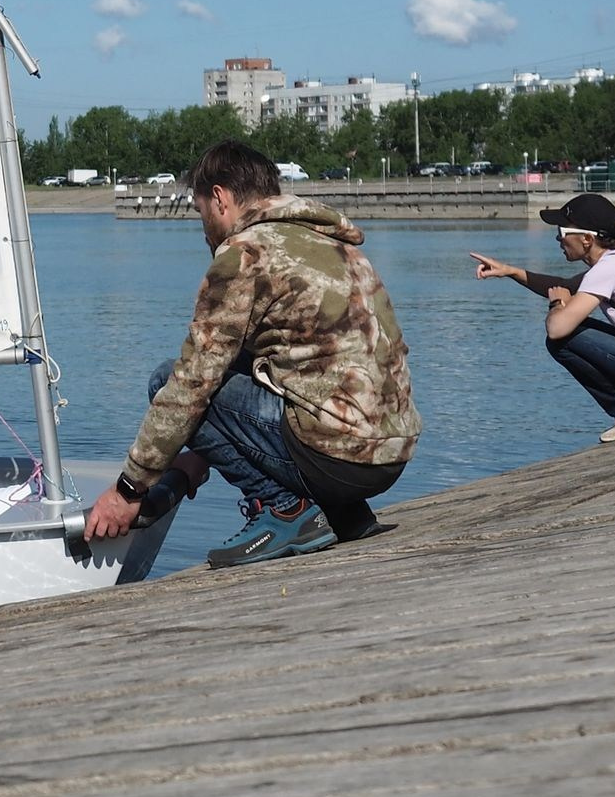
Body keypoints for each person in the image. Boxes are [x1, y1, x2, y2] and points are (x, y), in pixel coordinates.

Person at [80, 141, 421, 566]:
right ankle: (342, 514)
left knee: (165, 380)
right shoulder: (332, 245)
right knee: (244, 362)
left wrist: (128, 490)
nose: (202, 226)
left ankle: (285, 510)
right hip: (389, 454)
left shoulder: (245, 255)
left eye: (199, 209)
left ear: (219, 198)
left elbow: (191, 384)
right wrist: (196, 455)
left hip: (337, 456)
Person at [470, 191, 615, 442]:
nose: (557, 240)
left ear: (585, 239)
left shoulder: (607, 270)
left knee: (562, 340)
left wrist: (558, 304)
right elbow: (565, 285)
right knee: (575, 328)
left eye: (561, 232)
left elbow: (557, 328)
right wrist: (510, 271)